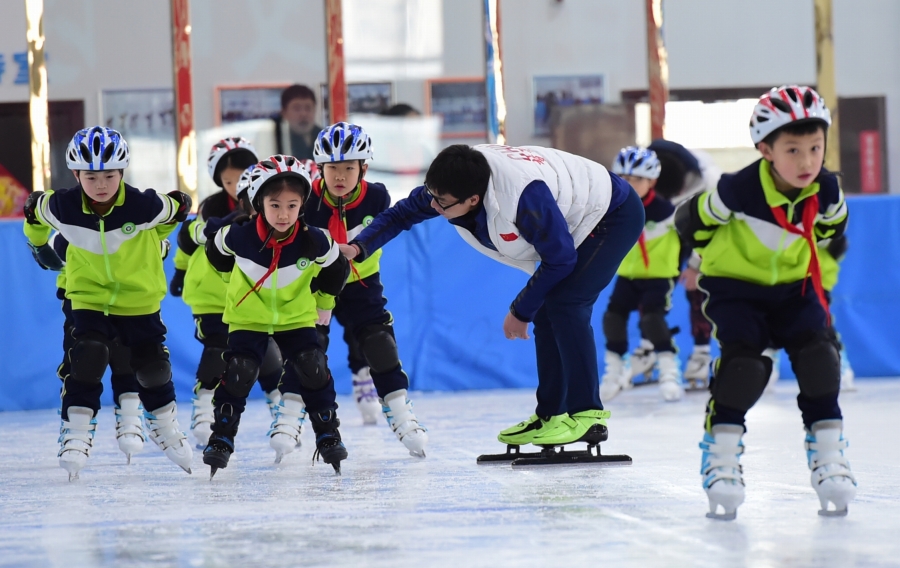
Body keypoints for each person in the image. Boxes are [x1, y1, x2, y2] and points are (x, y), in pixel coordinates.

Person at [342, 144, 644, 448]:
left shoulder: (522, 199)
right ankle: (552, 414)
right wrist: (358, 247)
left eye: (442, 203)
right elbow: (402, 214)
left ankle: (588, 415)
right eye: (431, 195)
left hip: (612, 213)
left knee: (566, 306)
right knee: (550, 310)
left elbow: (560, 259)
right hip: (574, 211)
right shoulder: (453, 181)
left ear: (473, 199)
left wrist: (519, 311)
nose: (433, 206)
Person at [675, 86, 856, 519]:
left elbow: (832, 232)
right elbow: (688, 223)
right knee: (745, 366)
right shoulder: (737, 190)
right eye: (793, 150)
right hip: (736, 288)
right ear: (765, 150)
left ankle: (829, 456)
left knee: (820, 358)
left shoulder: (827, 190)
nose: (807, 161)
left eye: (815, 147)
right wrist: (701, 260)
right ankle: (720, 458)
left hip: (794, 287)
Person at [23, 126, 194, 480]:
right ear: (76, 175)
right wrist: (39, 247)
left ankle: (164, 423)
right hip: (89, 296)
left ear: (122, 173)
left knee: (152, 368)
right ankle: (76, 431)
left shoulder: (144, 204)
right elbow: (33, 214)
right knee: (88, 354)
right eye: (90, 176)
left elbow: (177, 208)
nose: (101, 184)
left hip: (139, 299)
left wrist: (157, 241)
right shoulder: (61, 205)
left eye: (109, 175)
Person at [203, 155, 351, 476]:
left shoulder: (316, 239)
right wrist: (235, 281)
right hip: (247, 318)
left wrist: (324, 302)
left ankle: (327, 434)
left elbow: (338, 269)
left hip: (296, 318)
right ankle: (221, 438)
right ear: (258, 203)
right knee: (240, 371)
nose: (284, 214)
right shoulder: (236, 235)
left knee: (313, 366)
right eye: (274, 205)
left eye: (292, 205)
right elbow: (215, 254)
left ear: (302, 205)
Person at [307, 122, 427, 457]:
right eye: (333, 168)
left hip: (361, 282)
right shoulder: (304, 198)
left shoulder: (376, 195)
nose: (340, 176)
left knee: (377, 342)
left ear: (364, 167)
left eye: (349, 167)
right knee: (308, 350)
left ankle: (400, 412)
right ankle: (296, 416)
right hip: (315, 286)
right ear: (321, 169)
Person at [170, 138, 285, 447]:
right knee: (218, 348)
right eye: (228, 180)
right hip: (212, 296)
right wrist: (180, 271)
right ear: (219, 181)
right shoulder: (212, 208)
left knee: (266, 351)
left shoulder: (272, 204)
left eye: (242, 176)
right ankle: (205, 409)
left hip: (254, 294)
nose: (236, 186)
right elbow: (192, 238)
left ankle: (283, 414)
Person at [28, 230, 174, 465]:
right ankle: (76, 425)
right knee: (85, 356)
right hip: (82, 297)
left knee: (130, 352)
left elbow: (158, 246)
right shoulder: (71, 214)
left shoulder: (134, 214)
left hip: (127, 293)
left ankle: (130, 412)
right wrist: (43, 248)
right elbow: (53, 248)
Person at [599, 147, 684, 402]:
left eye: (636, 179)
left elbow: (691, 240)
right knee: (613, 318)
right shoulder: (613, 209)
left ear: (652, 182)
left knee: (652, 320)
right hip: (628, 276)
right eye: (623, 178)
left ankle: (669, 373)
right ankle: (614, 373)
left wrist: (689, 268)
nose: (628, 184)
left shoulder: (669, 213)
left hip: (659, 277)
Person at [648, 139, 723, 388]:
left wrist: (694, 266)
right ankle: (650, 344)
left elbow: (714, 233)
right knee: (652, 280)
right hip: (667, 230)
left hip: (700, 225)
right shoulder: (640, 172)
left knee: (697, 285)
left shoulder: (711, 182)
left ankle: (701, 354)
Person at [274, 85, 322, 161]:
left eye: (308, 108)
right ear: (284, 113)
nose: (303, 114)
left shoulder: (326, 139)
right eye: (297, 108)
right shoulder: (275, 140)